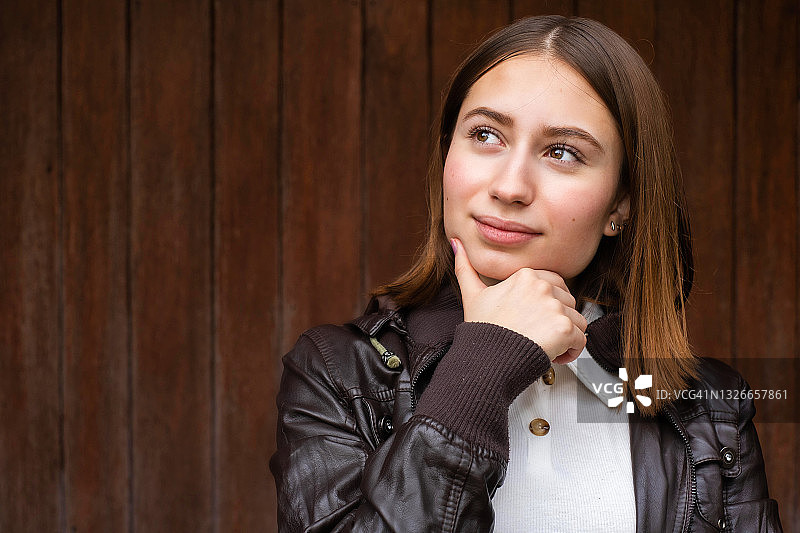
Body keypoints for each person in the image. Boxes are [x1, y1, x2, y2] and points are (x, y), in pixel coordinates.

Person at [270, 15, 782, 532]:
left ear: (621, 203)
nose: (510, 187)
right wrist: (481, 370)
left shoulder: (708, 409)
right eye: (486, 135)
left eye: (562, 152)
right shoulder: (339, 373)